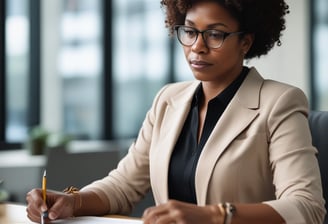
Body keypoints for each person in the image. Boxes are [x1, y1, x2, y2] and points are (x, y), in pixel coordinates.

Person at [26, 0, 326, 223]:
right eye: (190, 32)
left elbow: (307, 207)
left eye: (215, 35)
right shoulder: (168, 99)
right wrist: (73, 202)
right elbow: (124, 185)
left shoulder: (280, 102)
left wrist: (214, 215)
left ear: (245, 42)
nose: (197, 47)